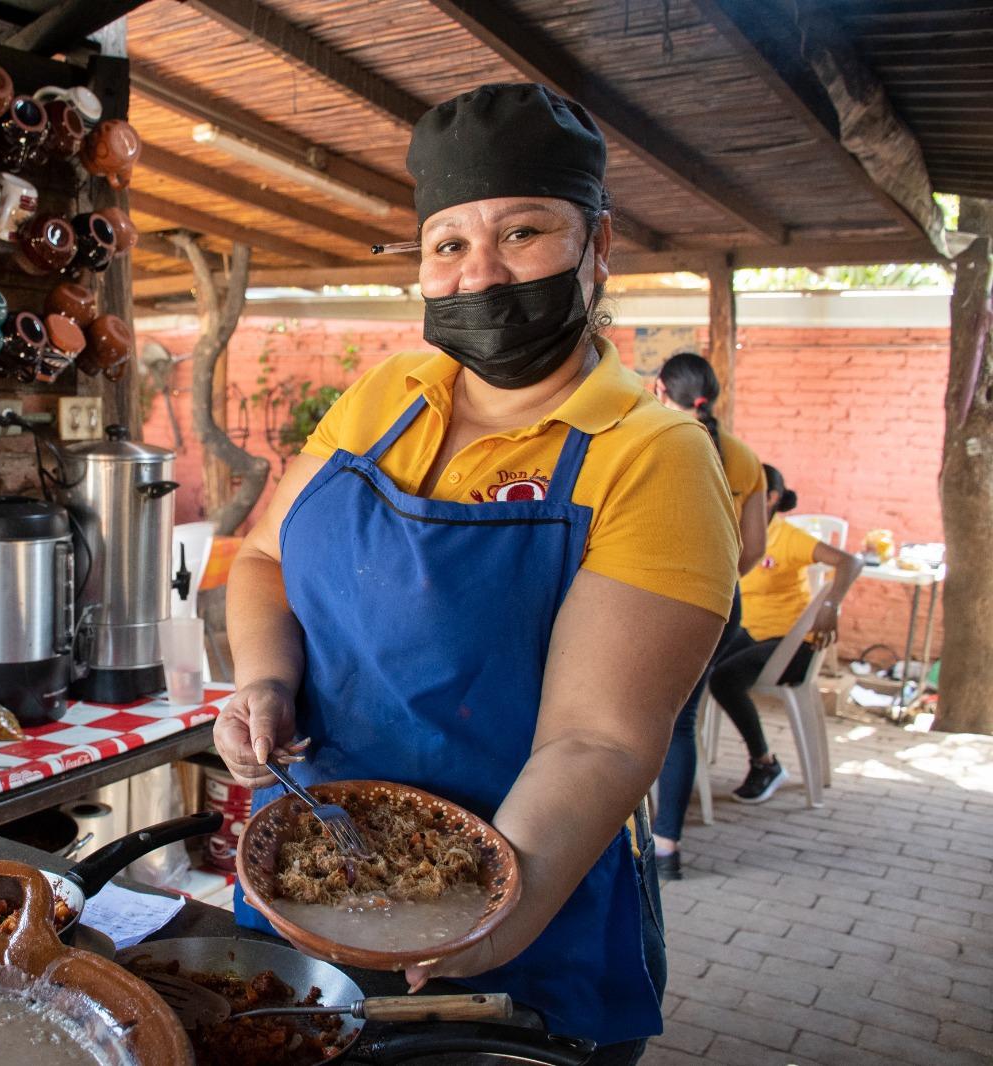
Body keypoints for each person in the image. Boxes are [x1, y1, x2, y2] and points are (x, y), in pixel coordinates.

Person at [214, 83, 740, 1062]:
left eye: (524, 231)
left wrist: (468, 914)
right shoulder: (387, 394)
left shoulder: (651, 452)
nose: (479, 271)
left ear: (598, 245)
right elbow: (263, 558)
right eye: (448, 242)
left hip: (512, 913)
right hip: (306, 877)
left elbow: (597, 741)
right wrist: (265, 682)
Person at [648, 353, 766, 879]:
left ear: (658, 388)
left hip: (649, 600)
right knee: (681, 723)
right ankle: (667, 847)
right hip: (721, 602)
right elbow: (753, 549)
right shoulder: (743, 457)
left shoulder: (652, 441)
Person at [710, 465, 863, 802]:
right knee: (699, 664)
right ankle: (687, 759)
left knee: (724, 679)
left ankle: (765, 763)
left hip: (792, 645)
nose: (738, 502)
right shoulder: (735, 533)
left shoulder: (786, 536)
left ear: (771, 498)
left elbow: (850, 562)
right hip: (751, 632)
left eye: (747, 496)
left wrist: (831, 605)